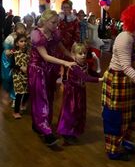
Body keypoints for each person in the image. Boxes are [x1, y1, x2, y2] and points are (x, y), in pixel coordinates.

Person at [101, 5, 135, 161]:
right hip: (118, 80)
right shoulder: (124, 38)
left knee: (134, 112)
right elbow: (126, 67)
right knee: (116, 116)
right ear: (132, 20)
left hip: (134, 79)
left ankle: (126, 140)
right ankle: (113, 149)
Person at [28, 9, 76, 147]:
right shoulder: (37, 34)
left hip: (49, 69)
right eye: (53, 22)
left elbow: (61, 48)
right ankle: (46, 132)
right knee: (41, 99)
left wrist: (72, 56)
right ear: (45, 21)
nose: (56, 25)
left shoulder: (55, 33)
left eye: (57, 22)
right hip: (37, 69)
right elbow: (45, 56)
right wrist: (65, 62)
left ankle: (40, 124)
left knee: (49, 97)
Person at [57, 42, 103, 145]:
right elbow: (85, 77)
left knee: (79, 111)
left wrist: (98, 72)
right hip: (72, 93)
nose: (83, 55)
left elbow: (91, 73)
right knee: (70, 112)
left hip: (80, 91)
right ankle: (66, 133)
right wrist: (100, 79)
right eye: (80, 53)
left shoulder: (85, 64)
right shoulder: (74, 66)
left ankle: (73, 132)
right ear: (73, 54)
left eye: (84, 53)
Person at [1, 22, 26, 105]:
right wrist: (13, 51)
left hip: (17, 59)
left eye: (23, 32)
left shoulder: (23, 38)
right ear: (16, 31)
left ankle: (14, 97)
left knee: (14, 78)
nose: (22, 33)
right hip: (7, 59)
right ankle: (8, 93)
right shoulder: (10, 38)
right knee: (6, 78)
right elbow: (7, 52)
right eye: (20, 32)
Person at [12, 34, 29, 119]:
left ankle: (23, 104)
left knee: (27, 92)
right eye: (21, 41)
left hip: (27, 76)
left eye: (25, 41)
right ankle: (16, 112)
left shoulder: (28, 53)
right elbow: (12, 64)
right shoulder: (14, 53)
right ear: (17, 43)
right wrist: (20, 67)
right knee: (19, 94)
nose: (24, 43)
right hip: (18, 76)